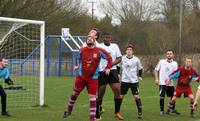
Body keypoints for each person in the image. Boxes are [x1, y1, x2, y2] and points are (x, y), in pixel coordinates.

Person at [63, 35, 112, 121]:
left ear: (94, 41)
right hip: (81, 77)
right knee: (74, 94)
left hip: (93, 79)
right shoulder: (82, 50)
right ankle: (68, 110)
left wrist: (108, 68)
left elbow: (109, 58)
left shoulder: (99, 51)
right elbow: (77, 58)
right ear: (86, 41)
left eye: (91, 38)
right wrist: (76, 65)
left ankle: (92, 119)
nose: (89, 39)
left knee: (92, 98)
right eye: (88, 38)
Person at [95, 32, 123, 120]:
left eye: (109, 37)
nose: (107, 39)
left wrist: (110, 65)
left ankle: (117, 112)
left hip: (113, 71)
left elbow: (119, 58)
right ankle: (97, 113)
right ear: (103, 38)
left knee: (117, 91)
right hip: (102, 72)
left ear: (111, 38)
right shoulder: (99, 46)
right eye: (106, 37)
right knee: (100, 93)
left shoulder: (115, 46)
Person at [119, 44, 143, 119]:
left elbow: (140, 68)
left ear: (133, 51)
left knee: (136, 96)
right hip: (124, 81)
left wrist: (140, 76)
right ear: (126, 51)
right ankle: (117, 111)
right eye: (128, 50)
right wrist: (117, 74)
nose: (129, 51)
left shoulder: (136, 59)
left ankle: (140, 112)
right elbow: (118, 66)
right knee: (120, 96)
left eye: (130, 50)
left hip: (134, 81)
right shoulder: (122, 58)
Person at [154, 50, 180, 116]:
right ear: (166, 55)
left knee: (173, 97)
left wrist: (170, 79)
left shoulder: (175, 63)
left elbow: (175, 74)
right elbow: (156, 70)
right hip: (162, 83)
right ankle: (161, 111)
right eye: (168, 54)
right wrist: (156, 79)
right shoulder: (161, 61)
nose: (169, 55)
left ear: (173, 55)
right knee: (162, 97)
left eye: (170, 54)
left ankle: (172, 109)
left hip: (170, 83)